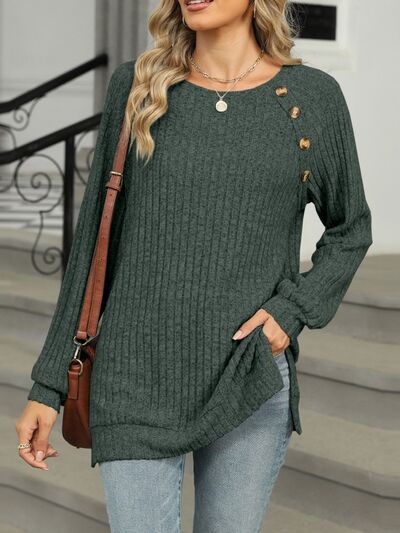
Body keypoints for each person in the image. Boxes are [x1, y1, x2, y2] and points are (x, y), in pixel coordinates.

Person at [15, 0, 373, 531]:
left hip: (245, 373)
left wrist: (291, 312)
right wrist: (49, 385)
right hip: (134, 375)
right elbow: (93, 243)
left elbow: (351, 227)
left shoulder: (309, 99)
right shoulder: (138, 87)